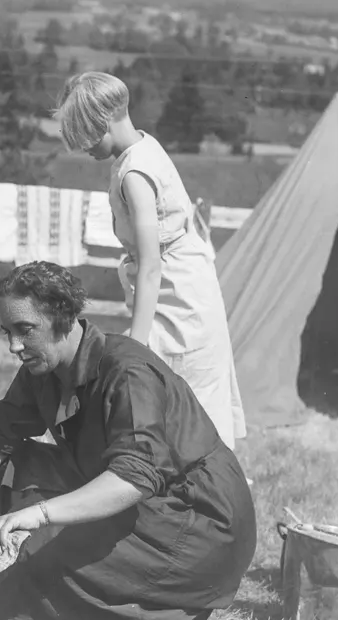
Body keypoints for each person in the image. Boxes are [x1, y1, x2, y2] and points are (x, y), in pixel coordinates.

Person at [0, 262, 256, 620]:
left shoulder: (127, 373)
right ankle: (102, 604)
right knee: (15, 472)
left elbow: (132, 479)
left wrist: (40, 515)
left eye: (25, 330)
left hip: (201, 523)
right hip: (152, 502)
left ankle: (176, 612)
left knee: (43, 536)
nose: (14, 346)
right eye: (8, 332)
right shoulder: (42, 369)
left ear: (63, 319)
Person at [54, 71, 246, 451]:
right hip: (177, 283)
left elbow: (151, 263)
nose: (84, 149)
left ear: (104, 121)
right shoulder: (142, 147)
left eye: (86, 137)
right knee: (172, 396)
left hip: (177, 295)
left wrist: (138, 341)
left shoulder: (135, 175)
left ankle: (207, 488)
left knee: (181, 392)